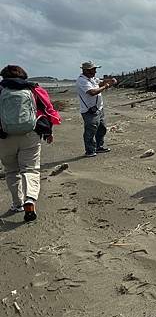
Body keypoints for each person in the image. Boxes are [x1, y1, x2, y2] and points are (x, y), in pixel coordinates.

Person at [0, 65, 61, 222]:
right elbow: (47, 110)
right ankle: (30, 200)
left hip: (5, 136)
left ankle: (17, 203)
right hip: (30, 134)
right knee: (31, 169)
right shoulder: (34, 89)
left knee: (11, 171)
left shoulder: (1, 90)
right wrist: (49, 131)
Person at [76, 61, 117, 157]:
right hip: (89, 110)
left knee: (101, 128)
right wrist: (106, 86)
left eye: (95, 70)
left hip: (99, 108)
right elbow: (92, 92)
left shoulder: (92, 78)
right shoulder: (82, 81)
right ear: (86, 71)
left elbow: (101, 82)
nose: (95, 72)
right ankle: (90, 150)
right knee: (90, 131)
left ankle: (99, 147)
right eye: (93, 70)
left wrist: (110, 81)